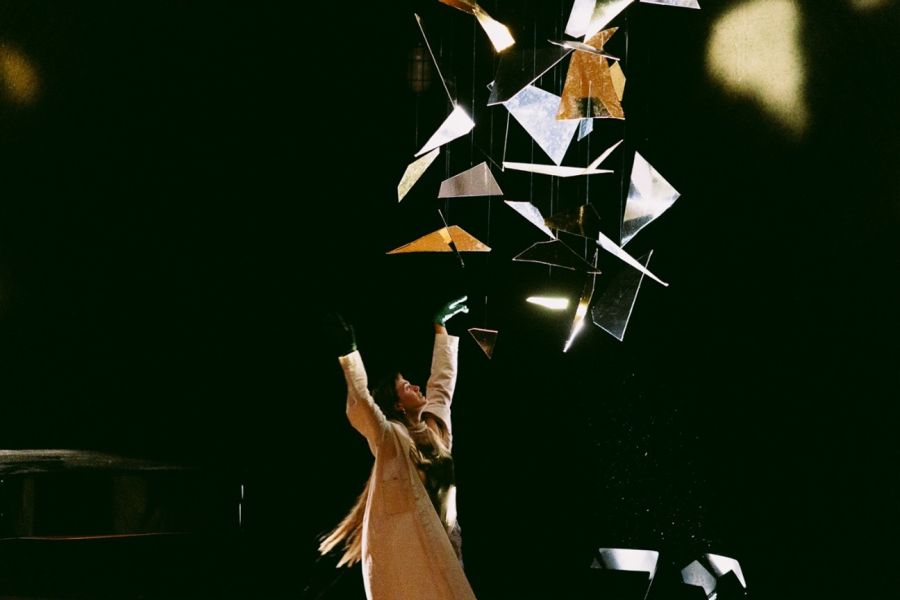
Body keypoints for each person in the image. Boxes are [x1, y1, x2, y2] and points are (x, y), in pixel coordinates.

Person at [319, 297, 477, 600]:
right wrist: (349, 354)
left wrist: (440, 327)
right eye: (407, 387)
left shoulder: (436, 432)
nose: (416, 387)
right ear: (398, 406)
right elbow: (363, 405)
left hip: (447, 546)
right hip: (415, 553)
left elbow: (441, 385)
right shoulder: (392, 440)